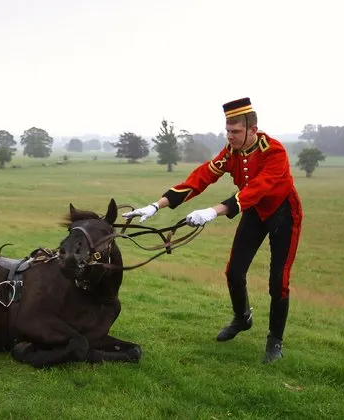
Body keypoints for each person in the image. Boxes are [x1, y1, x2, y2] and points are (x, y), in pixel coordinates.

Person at [123, 98, 302, 364]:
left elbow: (257, 189)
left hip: (283, 214)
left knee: (278, 281)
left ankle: (275, 341)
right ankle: (242, 319)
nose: (230, 137)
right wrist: (155, 206)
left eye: (236, 132)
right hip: (253, 213)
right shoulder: (231, 152)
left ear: (253, 129)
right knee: (234, 271)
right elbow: (201, 177)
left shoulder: (274, 152)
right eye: (227, 131)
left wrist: (212, 211)